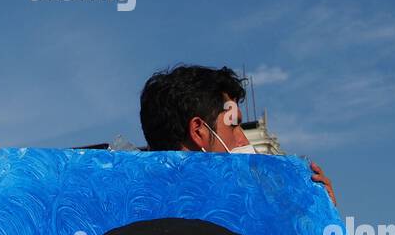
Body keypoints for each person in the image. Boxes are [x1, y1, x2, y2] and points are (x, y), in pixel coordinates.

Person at [138, 64, 336, 202]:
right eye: (233, 126)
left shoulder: (128, 208)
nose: (243, 140)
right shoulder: (240, 224)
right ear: (199, 131)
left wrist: (319, 217)